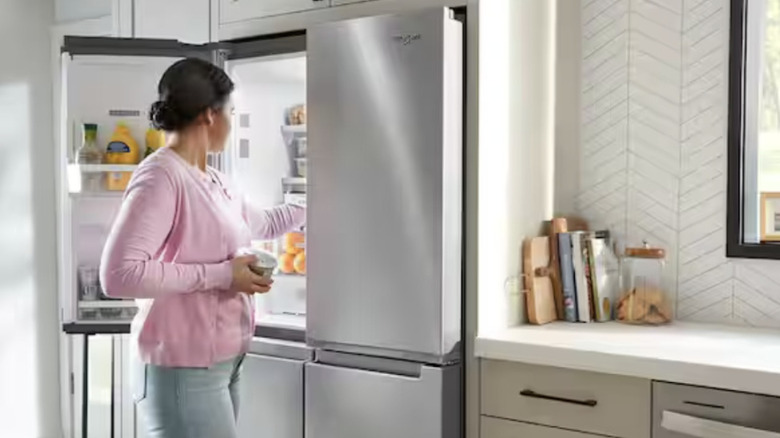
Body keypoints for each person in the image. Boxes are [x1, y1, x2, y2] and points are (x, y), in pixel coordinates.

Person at [100, 58, 305, 438]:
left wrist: (321, 199)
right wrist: (225, 275)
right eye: (231, 111)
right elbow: (120, 274)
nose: (232, 120)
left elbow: (263, 224)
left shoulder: (213, 179)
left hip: (224, 363)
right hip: (182, 369)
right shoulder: (161, 177)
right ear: (210, 115)